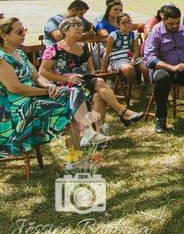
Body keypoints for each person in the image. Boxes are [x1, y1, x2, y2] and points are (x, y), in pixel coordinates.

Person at [0, 17, 102, 160]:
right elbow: (16, 88)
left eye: (24, 29)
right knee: (69, 105)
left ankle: (78, 152)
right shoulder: (2, 57)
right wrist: (45, 91)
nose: (24, 33)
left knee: (72, 94)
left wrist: (50, 85)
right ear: (4, 35)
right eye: (19, 31)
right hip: (16, 108)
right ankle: (85, 137)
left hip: (33, 98)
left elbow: (37, 77)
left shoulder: (20, 53)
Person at [40, 17, 145, 134]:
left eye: (80, 25)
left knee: (99, 96)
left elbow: (90, 69)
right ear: (65, 30)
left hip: (84, 81)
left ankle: (97, 132)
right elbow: (43, 72)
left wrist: (91, 76)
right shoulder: (54, 49)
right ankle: (123, 112)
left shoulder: (83, 47)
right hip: (64, 85)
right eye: (76, 26)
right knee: (99, 82)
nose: (80, 28)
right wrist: (66, 78)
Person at [141, 5, 184, 133]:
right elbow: (149, 59)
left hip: (183, 69)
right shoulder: (155, 33)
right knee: (162, 78)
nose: (175, 26)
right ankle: (160, 120)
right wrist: (172, 67)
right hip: (164, 69)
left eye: (177, 22)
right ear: (163, 19)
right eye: (171, 23)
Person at [105, 13, 148, 90]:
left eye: (129, 22)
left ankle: (149, 84)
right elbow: (107, 52)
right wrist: (103, 66)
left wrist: (133, 58)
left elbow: (136, 51)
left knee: (145, 67)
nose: (127, 24)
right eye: (124, 23)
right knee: (128, 69)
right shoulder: (114, 35)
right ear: (118, 25)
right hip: (117, 60)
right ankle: (134, 86)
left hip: (130, 58)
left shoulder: (133, 35)